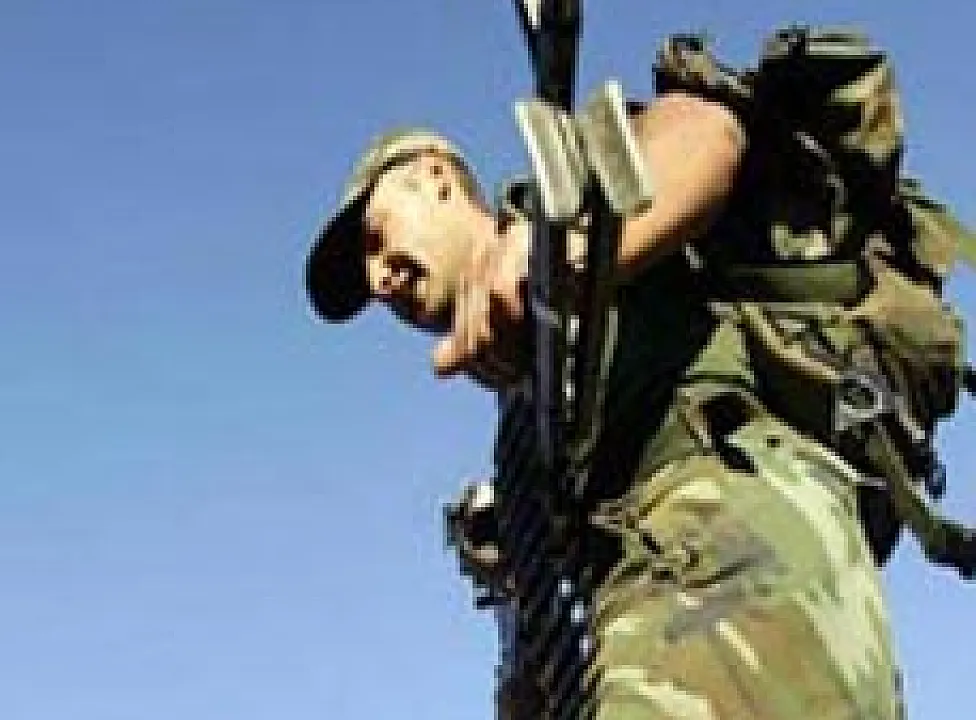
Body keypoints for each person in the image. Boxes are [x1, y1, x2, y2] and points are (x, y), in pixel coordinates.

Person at [302, 83, 905, 717]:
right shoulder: (517, 433)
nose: (379, 279)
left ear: (435, 179)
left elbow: (705, 133)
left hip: (726, 548)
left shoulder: (560, 204)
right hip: (654, 610)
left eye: (376, 238)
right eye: (366, 277)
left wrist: (566, 255)